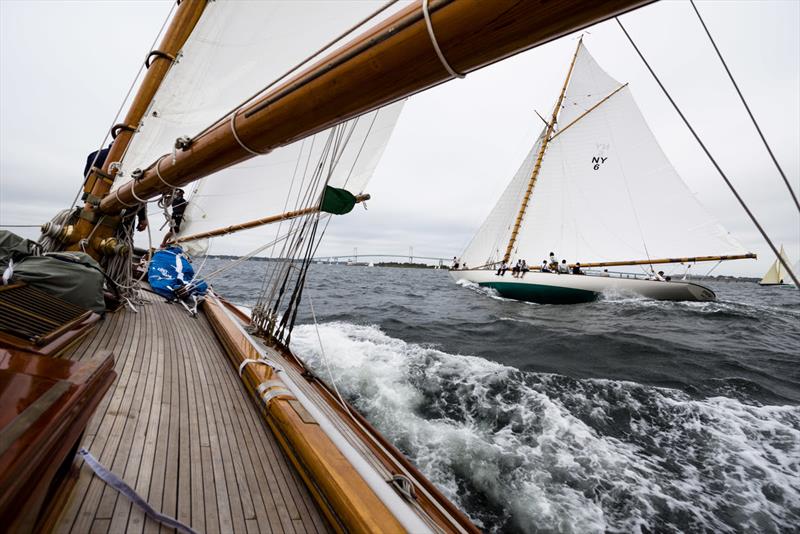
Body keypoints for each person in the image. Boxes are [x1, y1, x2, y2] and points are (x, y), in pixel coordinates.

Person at [85, 144, 148, 231]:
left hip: (92, 208)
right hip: (123, 214)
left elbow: (87, 183)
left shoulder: (95, 155)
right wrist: (142, 217)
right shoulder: (137, 160)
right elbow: (140, 190)